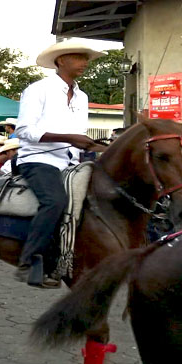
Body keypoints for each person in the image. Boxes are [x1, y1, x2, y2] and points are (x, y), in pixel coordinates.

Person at [13, 40, 106, 287]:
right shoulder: (38, 89)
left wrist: (96, 146)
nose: (85, 63)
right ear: (61, 60)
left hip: (72, 162)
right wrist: (69, 138)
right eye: (79, 57)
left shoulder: (83, 96)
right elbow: (23, 130)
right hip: (38, 159)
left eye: (86, 58)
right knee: (55, 201)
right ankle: (29, 261)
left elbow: (78, 135)